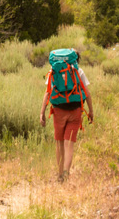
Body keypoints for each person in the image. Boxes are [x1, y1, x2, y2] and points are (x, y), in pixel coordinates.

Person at [40, 50, 94, 182]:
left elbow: (47, 93)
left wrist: (42, 112)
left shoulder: (54, 70)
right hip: (75, 110)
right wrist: (91, 111)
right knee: (69, 143)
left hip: (59, 111)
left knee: (59, 143)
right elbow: (86, 92)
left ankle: (59, 175)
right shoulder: (78, 71)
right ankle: (66, 173)